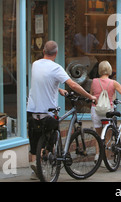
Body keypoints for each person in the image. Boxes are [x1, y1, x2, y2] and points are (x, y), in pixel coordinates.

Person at [27, 40, 96, 179]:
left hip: (33, 110)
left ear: (43, 51)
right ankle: (49, 163)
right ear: (56, 53)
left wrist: (58, 89)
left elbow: (42, 81)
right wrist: (90, 96)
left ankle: (36, 167)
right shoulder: (56, 68)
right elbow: (73, 85)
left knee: (34, 140)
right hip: (49, 111)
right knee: (52, 135)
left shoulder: (35, 65)